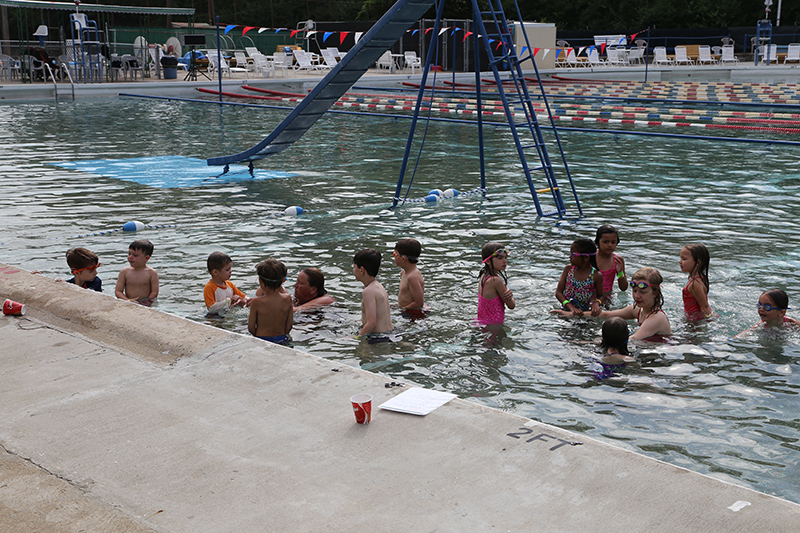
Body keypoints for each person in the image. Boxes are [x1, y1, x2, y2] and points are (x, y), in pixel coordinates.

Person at [553, 267, 671, 341]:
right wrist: (572, 314)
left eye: (643, 292)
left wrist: (590, 343)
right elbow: (606, 315)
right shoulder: (638, 310)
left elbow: (633, 339)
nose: (637, 296)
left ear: (655, 293)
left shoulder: (656, 317)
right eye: (635, 291)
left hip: (658, 358)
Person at [554, 238, 603, 317]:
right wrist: (571, 307)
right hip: (565, 309)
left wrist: (596, 304)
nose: (570, 257)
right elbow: (558, 293)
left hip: (584, 313)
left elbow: (600, 296)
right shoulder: (568, 269)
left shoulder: (596, 275)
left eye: (573, 254)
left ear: (586, 258)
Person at [248, 258, 293, 344]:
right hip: (282, 338)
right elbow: (289, 326)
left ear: (260, 280)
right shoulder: (288, 299)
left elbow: (251, 328)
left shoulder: (256, 302)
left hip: (262, 338)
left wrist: (257, 336)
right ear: (283, 280)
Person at [353, 248, 393, 339]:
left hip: (378, 338)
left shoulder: (368, 291)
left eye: (355, 267)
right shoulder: (379, 286)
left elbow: (372, 322)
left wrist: (356, 337)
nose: (354, 270)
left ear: (361, 270)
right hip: (390, 333)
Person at [477, 242, 515, 325]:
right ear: (488, 262)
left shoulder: (483, 275)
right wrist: (510, 294)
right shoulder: (496, 281)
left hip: (482, 321)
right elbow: (511, 305)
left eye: (505, 257)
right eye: (500, 258)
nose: (505, 261)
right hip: (494, 325)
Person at [736, 289, 800, 337]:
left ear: (781, 312)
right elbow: (747, 332)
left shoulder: (792, 323)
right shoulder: (762, 324)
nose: (761, 309)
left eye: (767, 307)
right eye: (759, 305)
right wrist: (732, 340)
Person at [595, 225, 627, 303]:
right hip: (589, 297)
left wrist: (620, 273)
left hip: (607, 298)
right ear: (598, 242)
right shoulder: (589, 258)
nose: (610, 245)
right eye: (605, 242)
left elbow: (623, 288)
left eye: (613, 242)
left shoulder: (618, 260)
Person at [679, 243, 712, 320]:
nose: (680, 262)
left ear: (698, 262)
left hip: (695, 322)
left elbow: (705, 307)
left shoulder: (695, 284)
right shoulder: (697, 278)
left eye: (684, 259)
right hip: (692, 318)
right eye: (680, 258)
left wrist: (712, 322)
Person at [394, 238, 425, 316]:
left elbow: (418, 304)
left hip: (413, 315)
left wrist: (401, 311)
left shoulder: (412, 277)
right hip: (406, 311)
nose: (394, 257)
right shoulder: (403, 272)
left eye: (395, 255)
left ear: (403, 258)